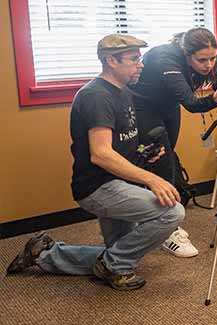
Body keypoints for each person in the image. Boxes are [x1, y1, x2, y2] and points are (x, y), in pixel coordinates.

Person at [6, 34, 184, 291]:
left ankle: (45, 253)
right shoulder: (96, 96)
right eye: (133, 59)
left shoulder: (123, 91)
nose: (141, 65)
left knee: (119, 249)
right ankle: (113, 265)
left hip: (119, 182)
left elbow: (119, 145)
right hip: (99, 187)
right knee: (171, 212)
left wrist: (143, 154)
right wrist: (152, 179)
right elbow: (100, 154)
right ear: (111, 60)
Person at [130, 28, 217, 257]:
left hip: (169, 106)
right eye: (202, 60)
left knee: (167, 157)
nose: (209, 65)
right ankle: (168, 230)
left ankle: (153, 217)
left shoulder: (207, 56)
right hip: (143, 108)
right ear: (187, 55)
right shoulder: (166, 58)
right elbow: (191, 103)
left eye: (213, 58)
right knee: (162, 164)